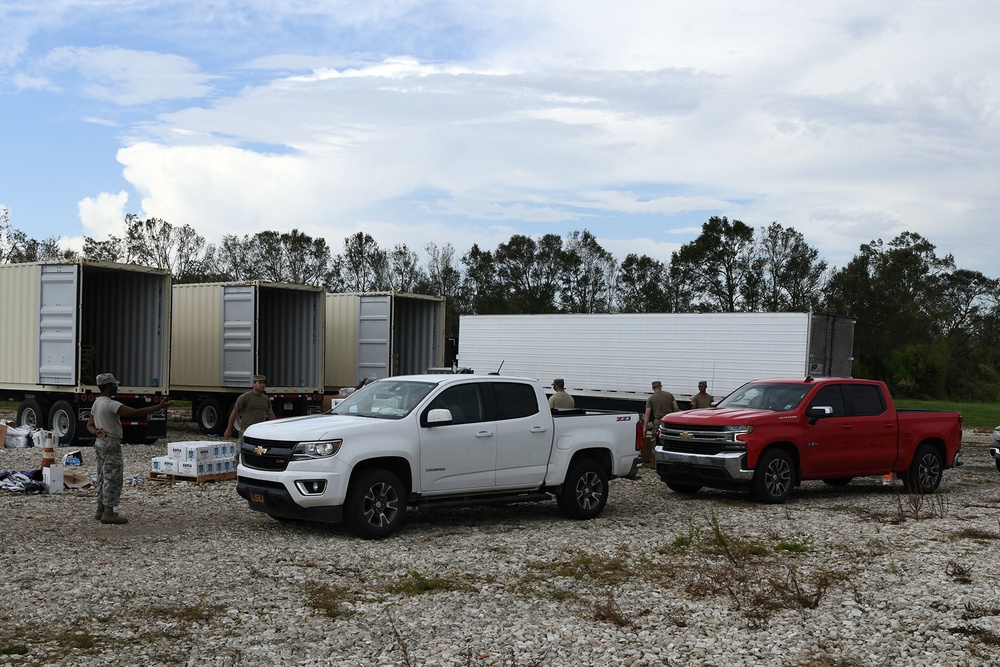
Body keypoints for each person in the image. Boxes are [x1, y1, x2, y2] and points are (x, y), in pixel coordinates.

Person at [86, 372, 173, 525]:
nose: (116, 387)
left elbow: (90, 425)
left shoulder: (97, 402)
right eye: (114, 385)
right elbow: (136, 412)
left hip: (100, 442)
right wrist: (159, 407)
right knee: (113, 478)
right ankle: (108, 513)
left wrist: (96, 432)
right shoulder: (111, 404)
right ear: (108, 386)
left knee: (102, 476)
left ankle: (100, 509)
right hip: (111, 443)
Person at [224, 375, 277, 439]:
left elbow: (271, 415)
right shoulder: (244, 397)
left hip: (260, 432)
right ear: (254, 383)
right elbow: (234, 413)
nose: (262, 385)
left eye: (264, 383)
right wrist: (229, 429)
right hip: (246, 431)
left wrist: (276, 428)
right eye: (260, 383)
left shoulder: (266, 399)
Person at [642, 380, 679, 467]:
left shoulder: (651, 398)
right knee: (669, 439)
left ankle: (655, 462)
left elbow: (647, 413)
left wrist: (645, 427)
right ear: (660, 387)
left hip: (658, 421)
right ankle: (670, 461)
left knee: (655, 441)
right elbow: (676, 408)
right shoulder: (669, 395)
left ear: (653, 388)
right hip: (668, 421)